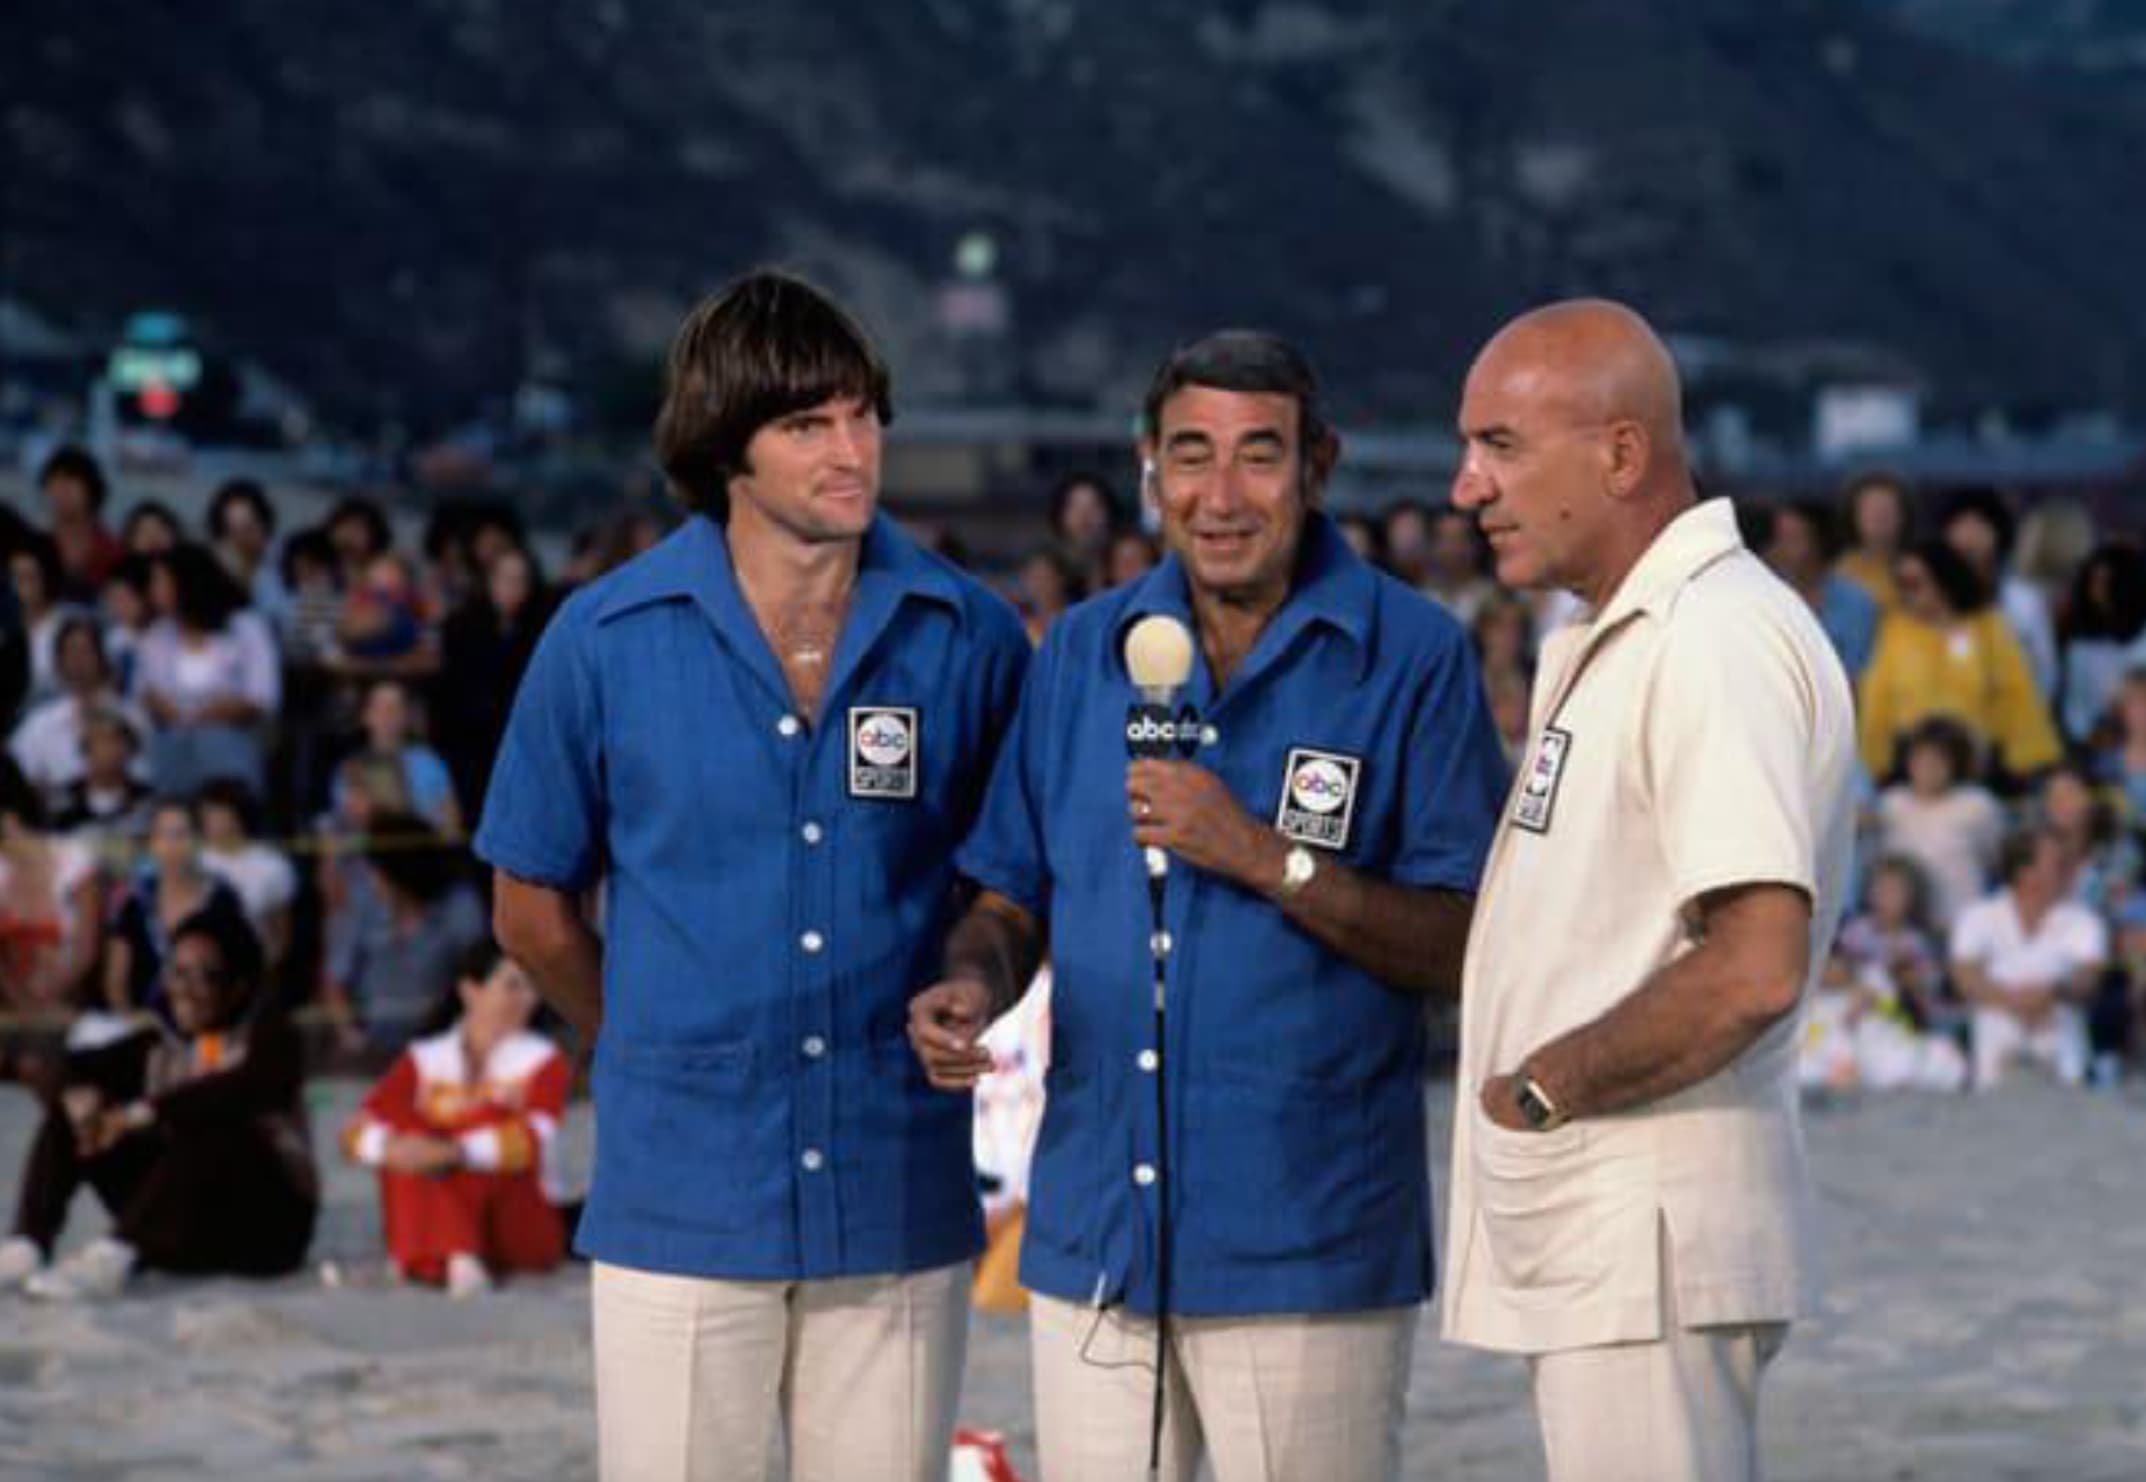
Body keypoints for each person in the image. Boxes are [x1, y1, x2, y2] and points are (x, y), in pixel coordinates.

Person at [909, 329, 1508, 1482]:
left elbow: (1462, 940)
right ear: (1150, 469)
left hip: (1308, 1238)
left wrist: (1259, 854)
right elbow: (1009, 891)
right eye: (1191, 456)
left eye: (1258, 457)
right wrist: (972, 984)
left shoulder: (1412, 656)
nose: (1220, 496)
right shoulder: (1080, 651)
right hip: (1093, 1239)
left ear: (1317, 465)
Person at [478, 269, 1029, 1482]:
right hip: (680, 1188)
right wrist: (645, 1040)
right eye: (806, 425)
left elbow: (1010, 881)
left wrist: (974, 983)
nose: (851, 450)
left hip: (896, 1178)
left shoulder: (971, 634)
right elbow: (530, 907)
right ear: (727, 450)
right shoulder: (604, 638)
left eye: (862, 415)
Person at [1442, 300, 1856, 1482]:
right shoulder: (1622, 628)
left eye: (1501, 447)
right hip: (1613, 1234)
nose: (1468, 487)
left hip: (1647, 1227)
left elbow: (1754, 963)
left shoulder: (1707, 639)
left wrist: (1544, 1087)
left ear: (1621, 454)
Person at [0, 908, 318, 1300]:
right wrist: (76, 1095)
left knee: (206, 1126)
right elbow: (72, 1066)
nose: (185, 987)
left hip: (263, 1231)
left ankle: (113, 1255)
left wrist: (138, 1114)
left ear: (238, 985)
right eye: (176, 971)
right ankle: (29, 1242)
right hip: (185, 1226)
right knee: (74, 1111)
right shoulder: (160, 1044)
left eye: (205, 974)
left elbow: (240, 1090)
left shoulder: (270, 1038)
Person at [341, 939, 568, 1296]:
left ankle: (434, 1254)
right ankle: (454, 1254)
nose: (527, 998)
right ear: (470, 990)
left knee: (479, 1119)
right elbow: (355, 1131)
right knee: (410, 1130)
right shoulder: (425, 1056)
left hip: (520, 1217)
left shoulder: (543, 1060)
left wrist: (451, 1149)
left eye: (531, 986)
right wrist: (394, 1150)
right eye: (512, 984)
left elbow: (534, 1140)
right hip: (448, 1200)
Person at [1856, 540, 2059, 786]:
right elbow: (1877, 699)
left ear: (1943, 579)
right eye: (1900, 584)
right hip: (1912, 761)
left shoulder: (1989, 626)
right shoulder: (1894, 631)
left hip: (1981, 759)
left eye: (1914, 583)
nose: (1905, 592)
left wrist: (2025, 759)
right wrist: (1874, 762)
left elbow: (2017, 692)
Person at [1950, 828, 2109, 1089]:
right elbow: (1964, 977)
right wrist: (2014, 1000)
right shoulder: (1977, 916)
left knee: (2063, 1023)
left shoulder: (2084, 921)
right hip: (1997, 1014)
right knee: (1992, 1022)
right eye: (2057, 863)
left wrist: (2051, 993)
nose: (2068, 869)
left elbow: (2089, 978)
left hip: (2056, 1014)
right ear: (2026, 873)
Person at [1760, 499, 1880, 680]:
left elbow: (1858, 675)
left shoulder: (1857, 604)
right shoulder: (1765, 600)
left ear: (1820, 542)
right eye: (1779, 538)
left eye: (1794, 539)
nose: (1781, 549)